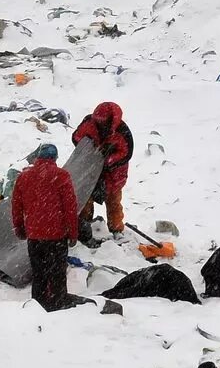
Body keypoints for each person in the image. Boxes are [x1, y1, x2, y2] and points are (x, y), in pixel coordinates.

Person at [11, 143, 84, 311]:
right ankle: (58, 305)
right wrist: (73, 233)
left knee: (39, 274)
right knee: (57, 274)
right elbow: (70, 208)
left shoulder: (24, 177)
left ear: (38, 157)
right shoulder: (62, 176)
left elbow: (16, 207)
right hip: (57, 236)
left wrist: (20, 228)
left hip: (35, 236)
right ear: (55, 158)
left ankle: (38, 307)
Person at [71, 101, 134, 244]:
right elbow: (76, 137)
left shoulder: (122, 131)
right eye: (97, 121)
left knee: (113, 202)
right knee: (85, 199)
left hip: (114, 176)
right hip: (91, 171)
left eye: (102, 122)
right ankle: (84, 226)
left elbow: (126, 153)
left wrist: (108, 159)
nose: (99, 124)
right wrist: (90, 147)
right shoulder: (89, 122)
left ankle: (116, 229)